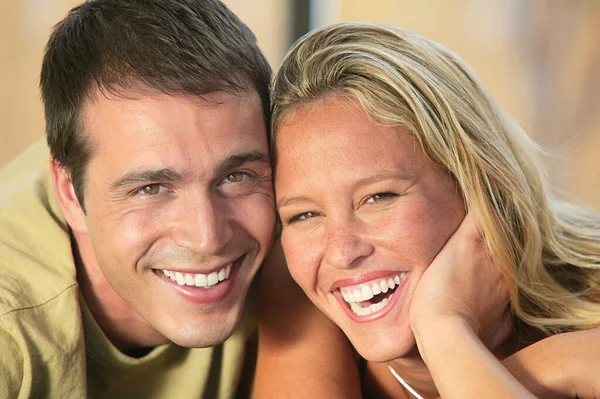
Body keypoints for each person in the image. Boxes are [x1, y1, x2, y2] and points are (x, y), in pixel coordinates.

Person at [259, 22, 600, 398]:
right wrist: (544, 367)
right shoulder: (302, 324)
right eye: (303, 216)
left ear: (476, 184)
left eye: (379, 197)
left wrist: (443, 332)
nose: (341, 251)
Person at [0, 0, 278, 397]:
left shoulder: (296, 219)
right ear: (70, 193)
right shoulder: (9, 333)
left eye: (235, 176)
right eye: (151, 189)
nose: (207, 238)